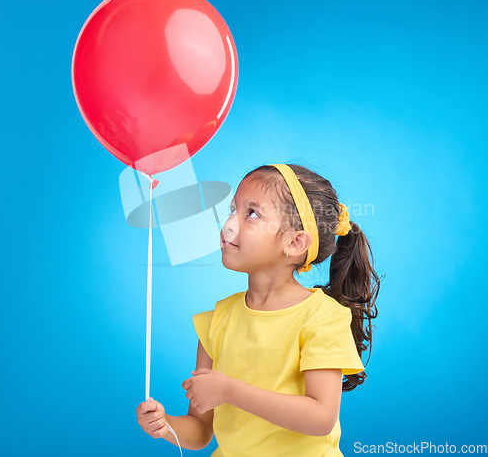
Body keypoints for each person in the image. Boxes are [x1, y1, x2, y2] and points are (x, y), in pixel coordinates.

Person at [136, 163, 381, 456]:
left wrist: (230, 391)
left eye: (251, 213)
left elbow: (320, 418)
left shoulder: (322, 318)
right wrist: (166, 425)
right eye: (232, 209)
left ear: (295, 242)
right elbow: (201, 431)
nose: (228, 225)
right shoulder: (217, 320)